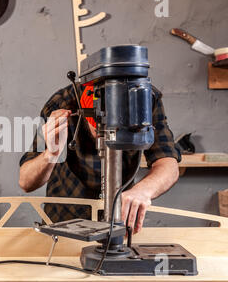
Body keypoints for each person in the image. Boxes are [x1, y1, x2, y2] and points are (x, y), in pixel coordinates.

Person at [18, 82, 181, 234]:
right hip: (63, 224)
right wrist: (51, 153)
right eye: (99, 130)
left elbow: (168, 163)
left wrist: (142, 192)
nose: (106, 138)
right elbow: (26, 182)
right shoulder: (64, 102)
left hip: (118, 221)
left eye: (117, 131)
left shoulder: (145, 99)